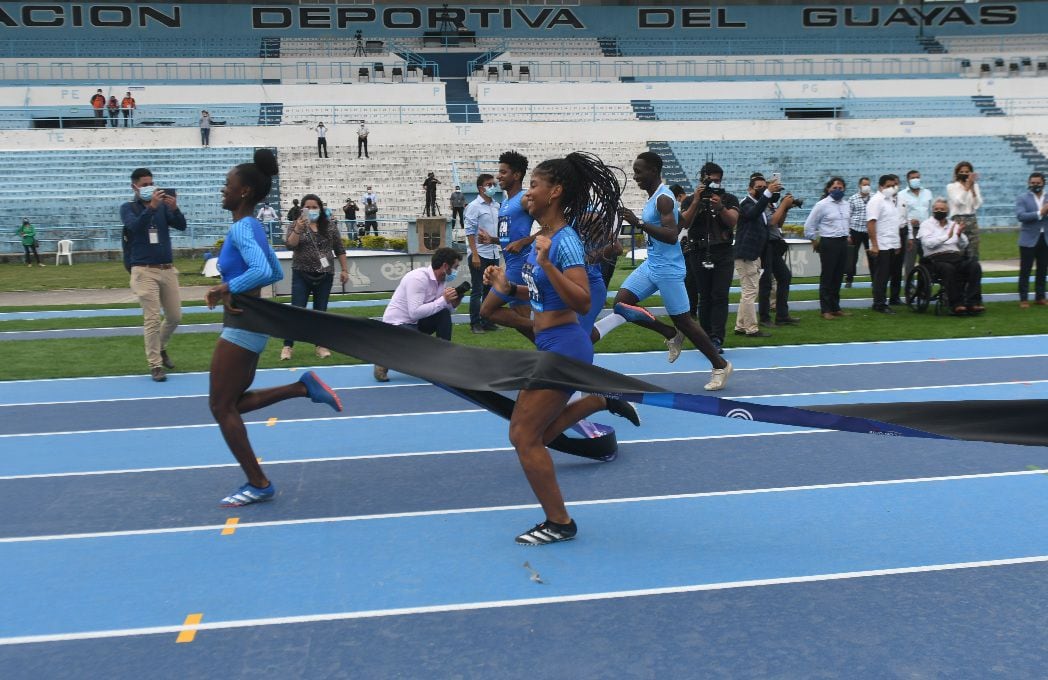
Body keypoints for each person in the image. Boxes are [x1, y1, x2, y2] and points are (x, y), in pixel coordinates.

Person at [483, 151, 638, 545]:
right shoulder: (548, 239)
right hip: (551, 344)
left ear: (555, 191)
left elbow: (583, 301)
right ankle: (597, 402)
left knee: (524, 436)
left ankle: (560, 522)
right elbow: (541, 292)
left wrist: (548, 265)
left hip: (564, 347)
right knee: (531, 433)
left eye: (533, 186)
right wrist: (507, 286)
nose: (527, 194)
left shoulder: (564, 242)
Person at [205, 149, 343, 507]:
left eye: (228, 185)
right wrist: (233, 286)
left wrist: (226, 287)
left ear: (245, 191)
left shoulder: (241, 227)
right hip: (249, 322)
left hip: (242, 323)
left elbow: (266, 273)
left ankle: (259, 482)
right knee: (230, 403)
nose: (223, 190)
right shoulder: (249, 226)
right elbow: (278, 272)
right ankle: (302, 387)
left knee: (221, 407)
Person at [595, 152, 732, 390]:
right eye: (635, 171)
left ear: (654, 171)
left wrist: (638, 223)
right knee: (621, 304)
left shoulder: (663, 199)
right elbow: (681, 225)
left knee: (686, 321)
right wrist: (696, 202)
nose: (636, 176)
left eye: (639, 171)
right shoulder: (654, 198)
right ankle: (669, 333)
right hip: (652, 264)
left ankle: (720, 364)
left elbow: (671, 236)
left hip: (668, 268)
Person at [120, 168, 187, 381]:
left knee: (175, 316)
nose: (149, 187)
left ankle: (161, 346)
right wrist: (150, 208)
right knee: (152, 318)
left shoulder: (161, 207)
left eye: (152, 183)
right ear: (135, 187)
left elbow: (181, 226)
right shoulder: (128, 208)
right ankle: (155, 365)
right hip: (144, 270)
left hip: (166, 268)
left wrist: (175, 209)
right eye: (145, 184)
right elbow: (135, 228)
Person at [373, 247, 465, 382]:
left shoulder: (442, 281)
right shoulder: (418, 279)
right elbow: (415, 312)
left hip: (416, 322)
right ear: (445, 266)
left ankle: (444, 360)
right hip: (397, 323)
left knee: (444, 314)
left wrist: (453, 303)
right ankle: (383, 358)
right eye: (455, 267)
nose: (456, 272)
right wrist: (443, 300)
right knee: (420, 351)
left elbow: (438, 309)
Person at [281, 193, 350, 361]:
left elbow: (339, 249)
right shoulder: (295, 225)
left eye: (314, 207)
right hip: (301, 273)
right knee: (296, 310)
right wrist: (298, 228)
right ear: (302, 209)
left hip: (325, 274)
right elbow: (291, 244)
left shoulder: (330, 227)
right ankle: (287, 346)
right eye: (307, 207)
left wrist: (345, 270)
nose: (311, 210)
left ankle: (321, 345)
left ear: (320, 208)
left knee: (321, 312)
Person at [680, 162, 739, 353]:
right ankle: (705, 337)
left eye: (717, 180)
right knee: (704, 295)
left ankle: (717, 338)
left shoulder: (729, 198)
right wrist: (697, 201)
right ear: (702, 180)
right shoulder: (690, 200)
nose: (714, 183)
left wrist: (720, 207)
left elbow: (732, 222)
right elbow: (684, 223)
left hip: (723, 251)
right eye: (710, 180)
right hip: (698, 251)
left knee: (720, 295)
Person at [478, 150, 535, 338]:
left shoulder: (525, 198)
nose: (498, 176)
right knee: (521, 323)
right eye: (499, 171)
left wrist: (524, 241)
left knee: (486, 311)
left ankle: (546, 328)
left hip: (520, 265)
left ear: (516, 175)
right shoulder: (505, 202)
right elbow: (509, 239)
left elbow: (553, 225)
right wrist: (492, 240)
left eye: (503, 172)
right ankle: (555, 354)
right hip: (512, 263)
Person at [918, 198, 984, 315]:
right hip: (935, 259)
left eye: (942, 209)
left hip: (955, 256)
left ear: (947, 211)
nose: (939, 211)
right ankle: (956, 303)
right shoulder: (926, 225)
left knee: (974, 266)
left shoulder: (953, 224)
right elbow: (928, 243)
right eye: (936, 209)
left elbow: (964, 245)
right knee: (948, 269)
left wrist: (959, 235)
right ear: (932, 210)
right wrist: (946, 237)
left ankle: (973, 302)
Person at [734, 175, 778, 337]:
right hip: (747, 254)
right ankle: (751, 328)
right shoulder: (745, 203)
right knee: (750, 292)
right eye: (758, 187)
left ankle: (740, 326)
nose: (761, 189)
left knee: (748, 291)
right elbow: (753, 213)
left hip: (752, 254)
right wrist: (767, 194)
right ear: (749, 189)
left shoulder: (757, 204)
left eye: (763, 186)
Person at [804, 177, 851, 320]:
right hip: (829, 242)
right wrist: (813, 240)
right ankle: (825, 309)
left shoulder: (846, 205)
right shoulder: (822, 205)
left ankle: (835, 307)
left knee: (838, 276)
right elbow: (809, 225)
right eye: (834, 188)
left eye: (840, 188)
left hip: (842, 242)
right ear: (828, 189)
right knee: (828, 276)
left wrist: (848, 235)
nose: (837, 190)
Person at [756, 175, 799, 326]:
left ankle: (782, 315)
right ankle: (764, 317)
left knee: (785, 276)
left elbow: (779, 223)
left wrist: (785, 208)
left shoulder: (771, 205)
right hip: (766, 245)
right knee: (766, 282)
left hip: (774, 245)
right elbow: (771, 222)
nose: (777, 193)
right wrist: (782, 206)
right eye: (775, 189)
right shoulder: (762, 205)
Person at [465, 173, 501, 333]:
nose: (493, 187)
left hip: (494, 253)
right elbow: (470, 231)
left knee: (491, 290)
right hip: (480, 253)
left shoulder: (497, 205)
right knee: (478, 289)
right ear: (481, 188)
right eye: (489, 184)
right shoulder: (474, 206)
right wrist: (474, 254)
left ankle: (487, 320)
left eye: (494, 184)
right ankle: (475, 323)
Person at [866, 174, 904, 314]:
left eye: (893, 186)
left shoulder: (890, 201)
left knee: (887, 274)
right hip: (881, 244)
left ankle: (882, 301)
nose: (891, 188)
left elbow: (893, 224)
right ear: (880, 186)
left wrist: (897, 243)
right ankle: (879, 303)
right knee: (881, 276)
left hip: (890, 243)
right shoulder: (876, 200)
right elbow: (871, 223)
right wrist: (875, 245)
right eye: (888, 186)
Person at [1016, 171, 1048, 308]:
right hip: (1028, 239)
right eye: (1033, 183)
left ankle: (1040, 296)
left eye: (1038, 183)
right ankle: (1023, 298)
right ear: (1029, 183)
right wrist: (1040, 213)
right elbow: (1021, 216)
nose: (1035, 185)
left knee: (1042, 269)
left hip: (1045, 238)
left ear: (1043, 183)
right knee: (1026, 270)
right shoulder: (1022, 198)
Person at [898, 169, 931, 280]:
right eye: (912, 178)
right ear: (908, 180)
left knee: (926, 259)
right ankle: (909, 288)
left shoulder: (927, 193)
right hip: (911, 231)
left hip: (925, 230)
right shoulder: (901, 195)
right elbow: (899, 214)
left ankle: (924, 285)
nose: (915, 179)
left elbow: (930, 211)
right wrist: (910, 220)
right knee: (910, 262)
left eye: (917, 177)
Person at [947, 161, 982, 260]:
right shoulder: (951, 187)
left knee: (973, 251)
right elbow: (958, 202)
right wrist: (966, 187)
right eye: (962, 172)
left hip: (971, 219)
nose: (964, 174)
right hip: (958, 219)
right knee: (958, 250)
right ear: (957, 173)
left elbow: (977, 204)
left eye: (967, 171)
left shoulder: (975, 186)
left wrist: (972, 189)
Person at [845, 177, 873, 288]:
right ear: (859, 186)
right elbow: (848, 216)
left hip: (869, 231)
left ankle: (875, 279)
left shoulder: (874, 197)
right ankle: (849, 280)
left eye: (868, 184)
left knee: (872, 256)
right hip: (855, 230)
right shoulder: (853, 198)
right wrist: (848, 234)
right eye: (864, 185)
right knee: (852, 257)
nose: (866, 187)